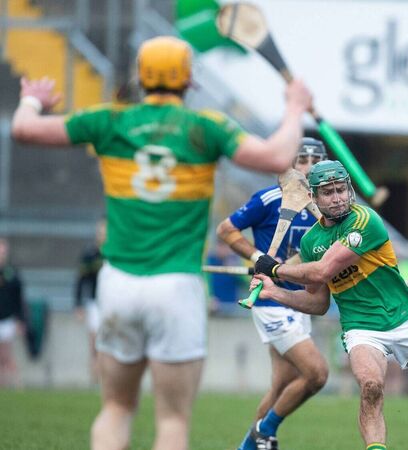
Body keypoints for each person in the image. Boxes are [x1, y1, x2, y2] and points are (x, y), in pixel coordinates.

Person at [11, 35, 313, 450]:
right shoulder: (206, 127)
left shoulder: (108, 121)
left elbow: (24, 129)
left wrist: (31, 99)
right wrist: (295, 107)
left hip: (117, 283)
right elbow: (278, 157)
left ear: (141, 77)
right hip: (176, 287)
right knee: (172, 421)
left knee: (116, 408)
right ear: (189, 81)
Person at [248, 160, 408, 450]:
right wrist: (274, 292)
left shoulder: (364, 221)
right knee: (371, 388)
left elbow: (322, 271)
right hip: (361, 328)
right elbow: (317, 303)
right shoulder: (310, 242)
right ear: (314, 198)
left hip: (405, 318)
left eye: (341, 189)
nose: (337, 197)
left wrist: (275, 270)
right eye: (328, 192)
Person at [216, 137, 330, 450]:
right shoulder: (268, 199)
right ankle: (264, 434)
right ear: (291, 165)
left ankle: (249, 446)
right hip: (270, 299)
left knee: (281, 386)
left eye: (315, 160)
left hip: (303, 302)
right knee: (317, 374)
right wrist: (258, 259)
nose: (308, 166)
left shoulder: (328, 209)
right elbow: (225, 230)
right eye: (302, 160)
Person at [74, 218, 106, 383]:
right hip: (94, 303)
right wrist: (78, 304)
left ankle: (106, 377)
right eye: (100, 231)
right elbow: (80, 280)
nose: (102, 234)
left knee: (109, 344)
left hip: (110, 303)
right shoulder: (89, 254)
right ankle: (95, 378)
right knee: (94, 343)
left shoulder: (114, 253)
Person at [0, 238, 26, 388]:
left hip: (7, 319)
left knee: (6, 356)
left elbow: (18, 299)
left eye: (3, 252)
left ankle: (17, 385)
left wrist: (20, 320)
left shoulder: (12, 273)